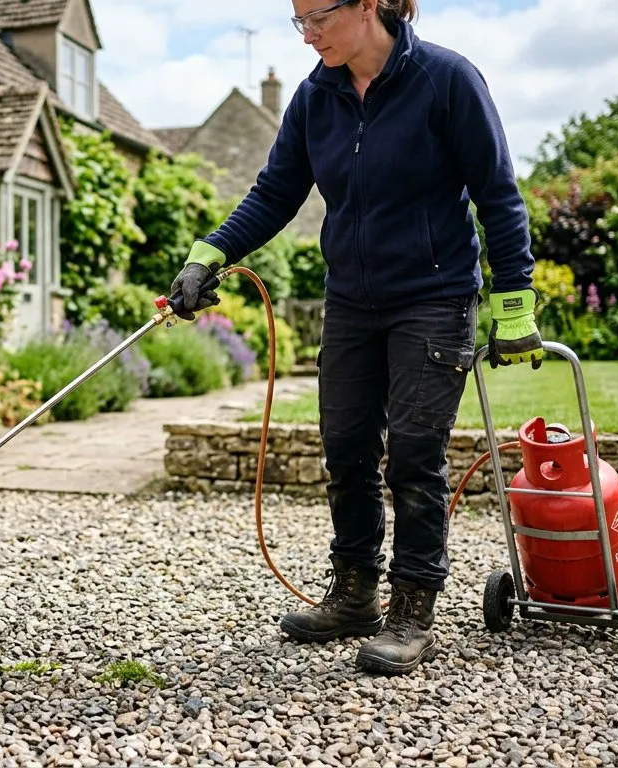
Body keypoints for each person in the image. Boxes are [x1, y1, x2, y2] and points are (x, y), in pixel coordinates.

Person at [170, 0, 542, 676]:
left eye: (317, 17)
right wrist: (208, 254)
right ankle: (355, 595)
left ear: (368, 4)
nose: (307, 34)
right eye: (297, 21)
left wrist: (514, 301)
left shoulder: (446, 80)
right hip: (351, 300)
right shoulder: (316, 97)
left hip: (434, 295)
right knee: (344, 448)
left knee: (414, 456)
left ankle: (412, 609)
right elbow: (275, 191)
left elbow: (497, 194)